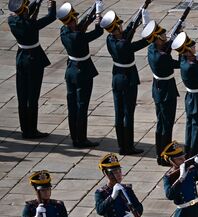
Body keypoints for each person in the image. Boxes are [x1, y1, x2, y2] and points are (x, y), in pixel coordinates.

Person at [100, 8, 148, 154]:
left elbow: (126, 35)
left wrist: (135, 20)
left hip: (117, 78)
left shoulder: (110, 39)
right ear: (116, 27)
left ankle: (122, 145)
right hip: (128, 80)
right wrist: (150, 35)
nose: (122, 26)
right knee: (128, 113)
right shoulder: (123, 44)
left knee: (119, 113)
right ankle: (128, 146)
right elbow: (137, 43)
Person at [8, 0, 57, 139]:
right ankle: (32, 130)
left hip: (21, 59)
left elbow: (25, 13)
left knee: (22, 96)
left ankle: (25, 129)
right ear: (23, 10)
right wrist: (51, 3)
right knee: (33, 97)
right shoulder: (31, 25)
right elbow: (51, 17)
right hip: (33, 61)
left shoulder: (11, 20)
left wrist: (36, 3)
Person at [58, 1, 103, 148]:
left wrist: (89, 17)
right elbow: (99, 32)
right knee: (82, 106)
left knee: (72, 107)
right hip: (82, 73)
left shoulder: (63, 31)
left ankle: (74, 136)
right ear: (72, 19)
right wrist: (98, 17)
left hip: (70, 71)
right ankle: (81, 139)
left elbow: (79, 27)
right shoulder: (77, 36)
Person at [142, 20, 179, 166]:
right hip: (166, 92)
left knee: (161, 124)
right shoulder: (162, 56)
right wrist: (181, 48)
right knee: (166, 125)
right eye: (163, 35)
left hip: (158, 89)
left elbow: (165, 49)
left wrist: (172, 40)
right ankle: (165, 156)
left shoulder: (152, 49)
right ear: (157, 39)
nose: (165, 35)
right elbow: (177, 64)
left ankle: (160, 153)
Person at [172, 32, 198, 157]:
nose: (195, 48)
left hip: (190, 98)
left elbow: (193, 59)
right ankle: (193, 155)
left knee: (190, 126)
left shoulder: (183, 60)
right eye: (192, 47)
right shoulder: (192, 67)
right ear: (187, 50)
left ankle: (188, 151)